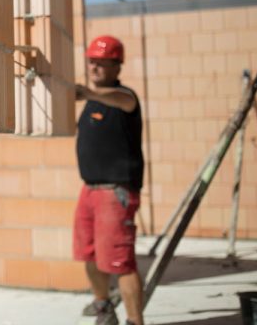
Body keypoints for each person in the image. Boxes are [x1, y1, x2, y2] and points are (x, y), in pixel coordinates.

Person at [74, 35, 145, 325]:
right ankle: (104, 309)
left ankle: (135, 321)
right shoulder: (92, 102)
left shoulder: (124, 97)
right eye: (92, 62)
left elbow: (122, 100)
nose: (95, 68)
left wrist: (90, 93)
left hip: (116, 192)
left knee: (121, 262)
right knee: (88, 256)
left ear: (117, 67)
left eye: (102, 64)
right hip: (89, 190)